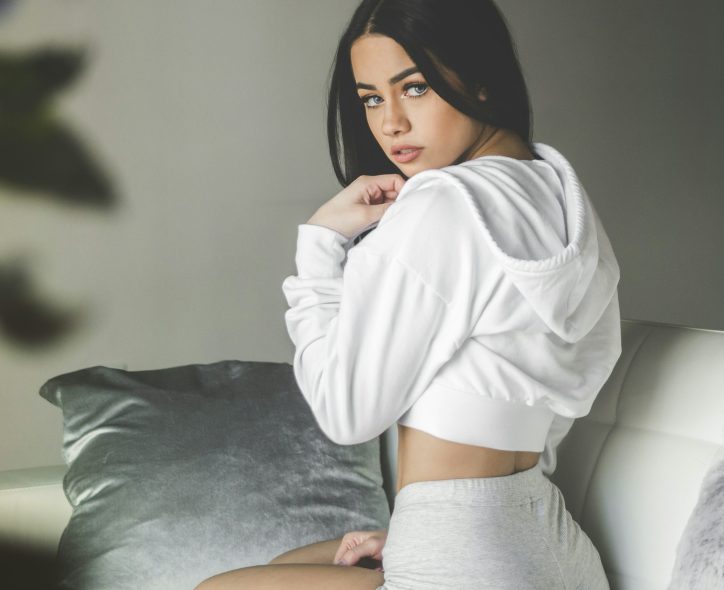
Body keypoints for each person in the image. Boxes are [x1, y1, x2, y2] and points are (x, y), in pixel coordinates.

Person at [195, 0, 621, 588]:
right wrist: (424, 530)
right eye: (371, 98)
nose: (390, 122)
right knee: (286, 568)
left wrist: (320, 244)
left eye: (414, 88)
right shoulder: (559, 196)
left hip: (468, 553)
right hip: (551, 546)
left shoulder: (442, 203)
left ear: (480, 78)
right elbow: (558, 388)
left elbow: (345, 413)